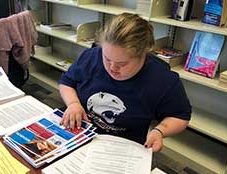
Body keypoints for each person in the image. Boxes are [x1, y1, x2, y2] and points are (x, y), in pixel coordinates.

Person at [59, 13, 191, 152]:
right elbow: (67, 81)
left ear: (143, 55)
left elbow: (181, 115)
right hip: (81, 132)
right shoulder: (91, 56)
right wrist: (73, 104)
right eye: (107, 58)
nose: (112, 68)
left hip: (124, 146)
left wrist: (159, 131)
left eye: (122, 63)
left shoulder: (162, 79)